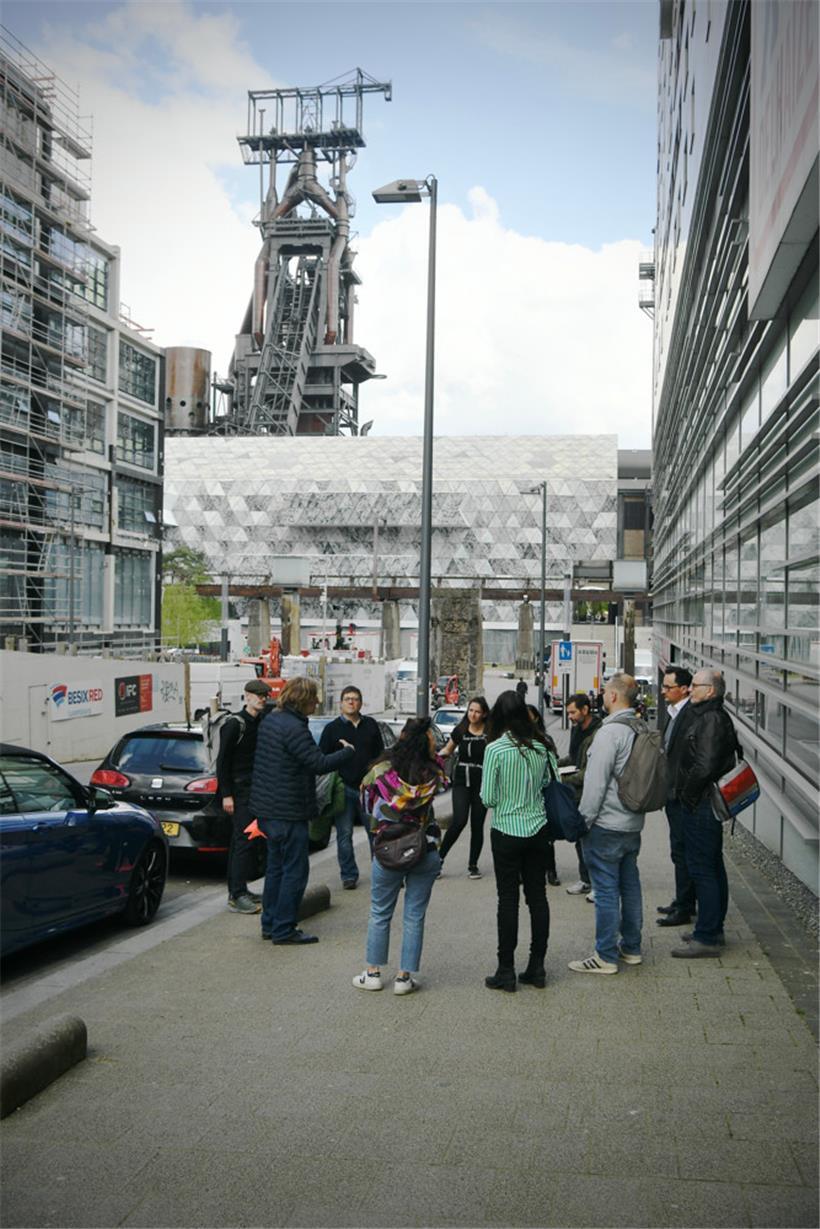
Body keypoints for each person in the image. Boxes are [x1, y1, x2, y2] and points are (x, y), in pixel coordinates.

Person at [251, 677, 354, 945]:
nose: (317, 702)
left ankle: (270, 923)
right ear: (302, 699)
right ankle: (284, 929)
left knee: (275, 868)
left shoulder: (271, 720)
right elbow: (317, 763)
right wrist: (347, 752)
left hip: (268, 809)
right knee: (295, 871)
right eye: (314, 698)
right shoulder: (294, 728)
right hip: (288, 810)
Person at [353, 718, 449, 995]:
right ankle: (404, 979)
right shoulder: (433, 773)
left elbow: (366, 805)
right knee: (414, 915)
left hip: (388, 848)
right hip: (424, 847)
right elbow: (444, 772)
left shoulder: (379, 773)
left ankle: (372, 973)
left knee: (380, 912)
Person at [568, 673, 646, 975]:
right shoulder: (640, 727)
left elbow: (595, 783)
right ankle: (632, 948)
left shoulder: (609, 733)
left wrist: (583, 821)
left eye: (604, 693)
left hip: (607, 823)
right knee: (630, 885)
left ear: (613, 696)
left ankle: (605, 956)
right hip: (632, 822)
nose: (601, 697)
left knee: (605, 890)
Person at [480, 690, 557, 991]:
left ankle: (506, 970)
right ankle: (537, 967)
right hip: (538, 830)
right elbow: (552, 783)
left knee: (508, 900)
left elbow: (488, 798)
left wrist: (506, 800)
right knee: (537, 898)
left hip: (506, 831)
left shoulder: (496, 750)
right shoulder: (542, 746)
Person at [670, 668, 737, 958]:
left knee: (703, 868)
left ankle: (707, 935)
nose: (690, 690)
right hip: (704, 801)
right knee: (711, 864)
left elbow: (705, 764)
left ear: (710, 691)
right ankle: (713, 928)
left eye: (695, 686)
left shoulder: (710, 718)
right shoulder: (712, 716)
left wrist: (688, 794)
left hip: (701, 803)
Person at [319, 685, 384, 890]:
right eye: (347, 698)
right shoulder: (332, 729)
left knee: (375, 832)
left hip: (368, 789)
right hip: (343, 788)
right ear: (341, 703)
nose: (351, 702)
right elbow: (322, 759)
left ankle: (381, 872)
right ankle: (348, 875)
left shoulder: (371, 725)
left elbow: (380, 755)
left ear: (360, 703)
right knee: (344, 834)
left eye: (355, 699)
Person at [216, 679, 271, 914]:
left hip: (256, 789)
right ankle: (236, 894)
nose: (262, 699)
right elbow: (222, 762)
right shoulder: (234, 724)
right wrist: (226, 795)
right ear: (247, 696)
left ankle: (240, 889)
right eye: (258, 695)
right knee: (243, 841)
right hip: (240, 792)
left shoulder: (263, 722)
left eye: (265, 695)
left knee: (246, 841)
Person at [656, 667, 698, 928]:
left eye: (668, 687)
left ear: (684, 689)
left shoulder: (689, 714)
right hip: (672, 793)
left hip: (682, 795)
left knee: (682, 851)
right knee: (677, 850)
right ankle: (682, 900)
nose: (662, 691)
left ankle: (684, 907)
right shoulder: (673, 713)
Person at [439, 696, 490, 879]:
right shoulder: (460, 730)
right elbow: (448, 749)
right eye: (470, 710)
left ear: (484, 714)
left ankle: (473, 865)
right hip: (462, 780)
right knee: (459, 821)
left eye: (477, 711)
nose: (473, 714)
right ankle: (438, 859)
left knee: (478, 825)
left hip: (482, 783)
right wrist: (436, 757)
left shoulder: (490, 733)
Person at [559, 693, 602, 899]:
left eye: (573, 712)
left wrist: (565, 779)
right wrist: (555, 764)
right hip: (576, 793)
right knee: (580, 838)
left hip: (590, 792)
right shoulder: (577, 730)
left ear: (585, 710)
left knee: (593, 839)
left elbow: (591, 770)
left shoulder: (599, 732)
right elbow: (573, 757)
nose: (570, 716)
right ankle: (585, 880)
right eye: (568, 712)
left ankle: (597, 884)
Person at [525, 704, 561, 886]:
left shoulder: (545, 739)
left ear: (536, 718)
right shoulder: (517, 740)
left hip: (543, 791)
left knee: (546, 835)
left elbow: (554, 761)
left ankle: (550, 870)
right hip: (523, 793)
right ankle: (526, 871)